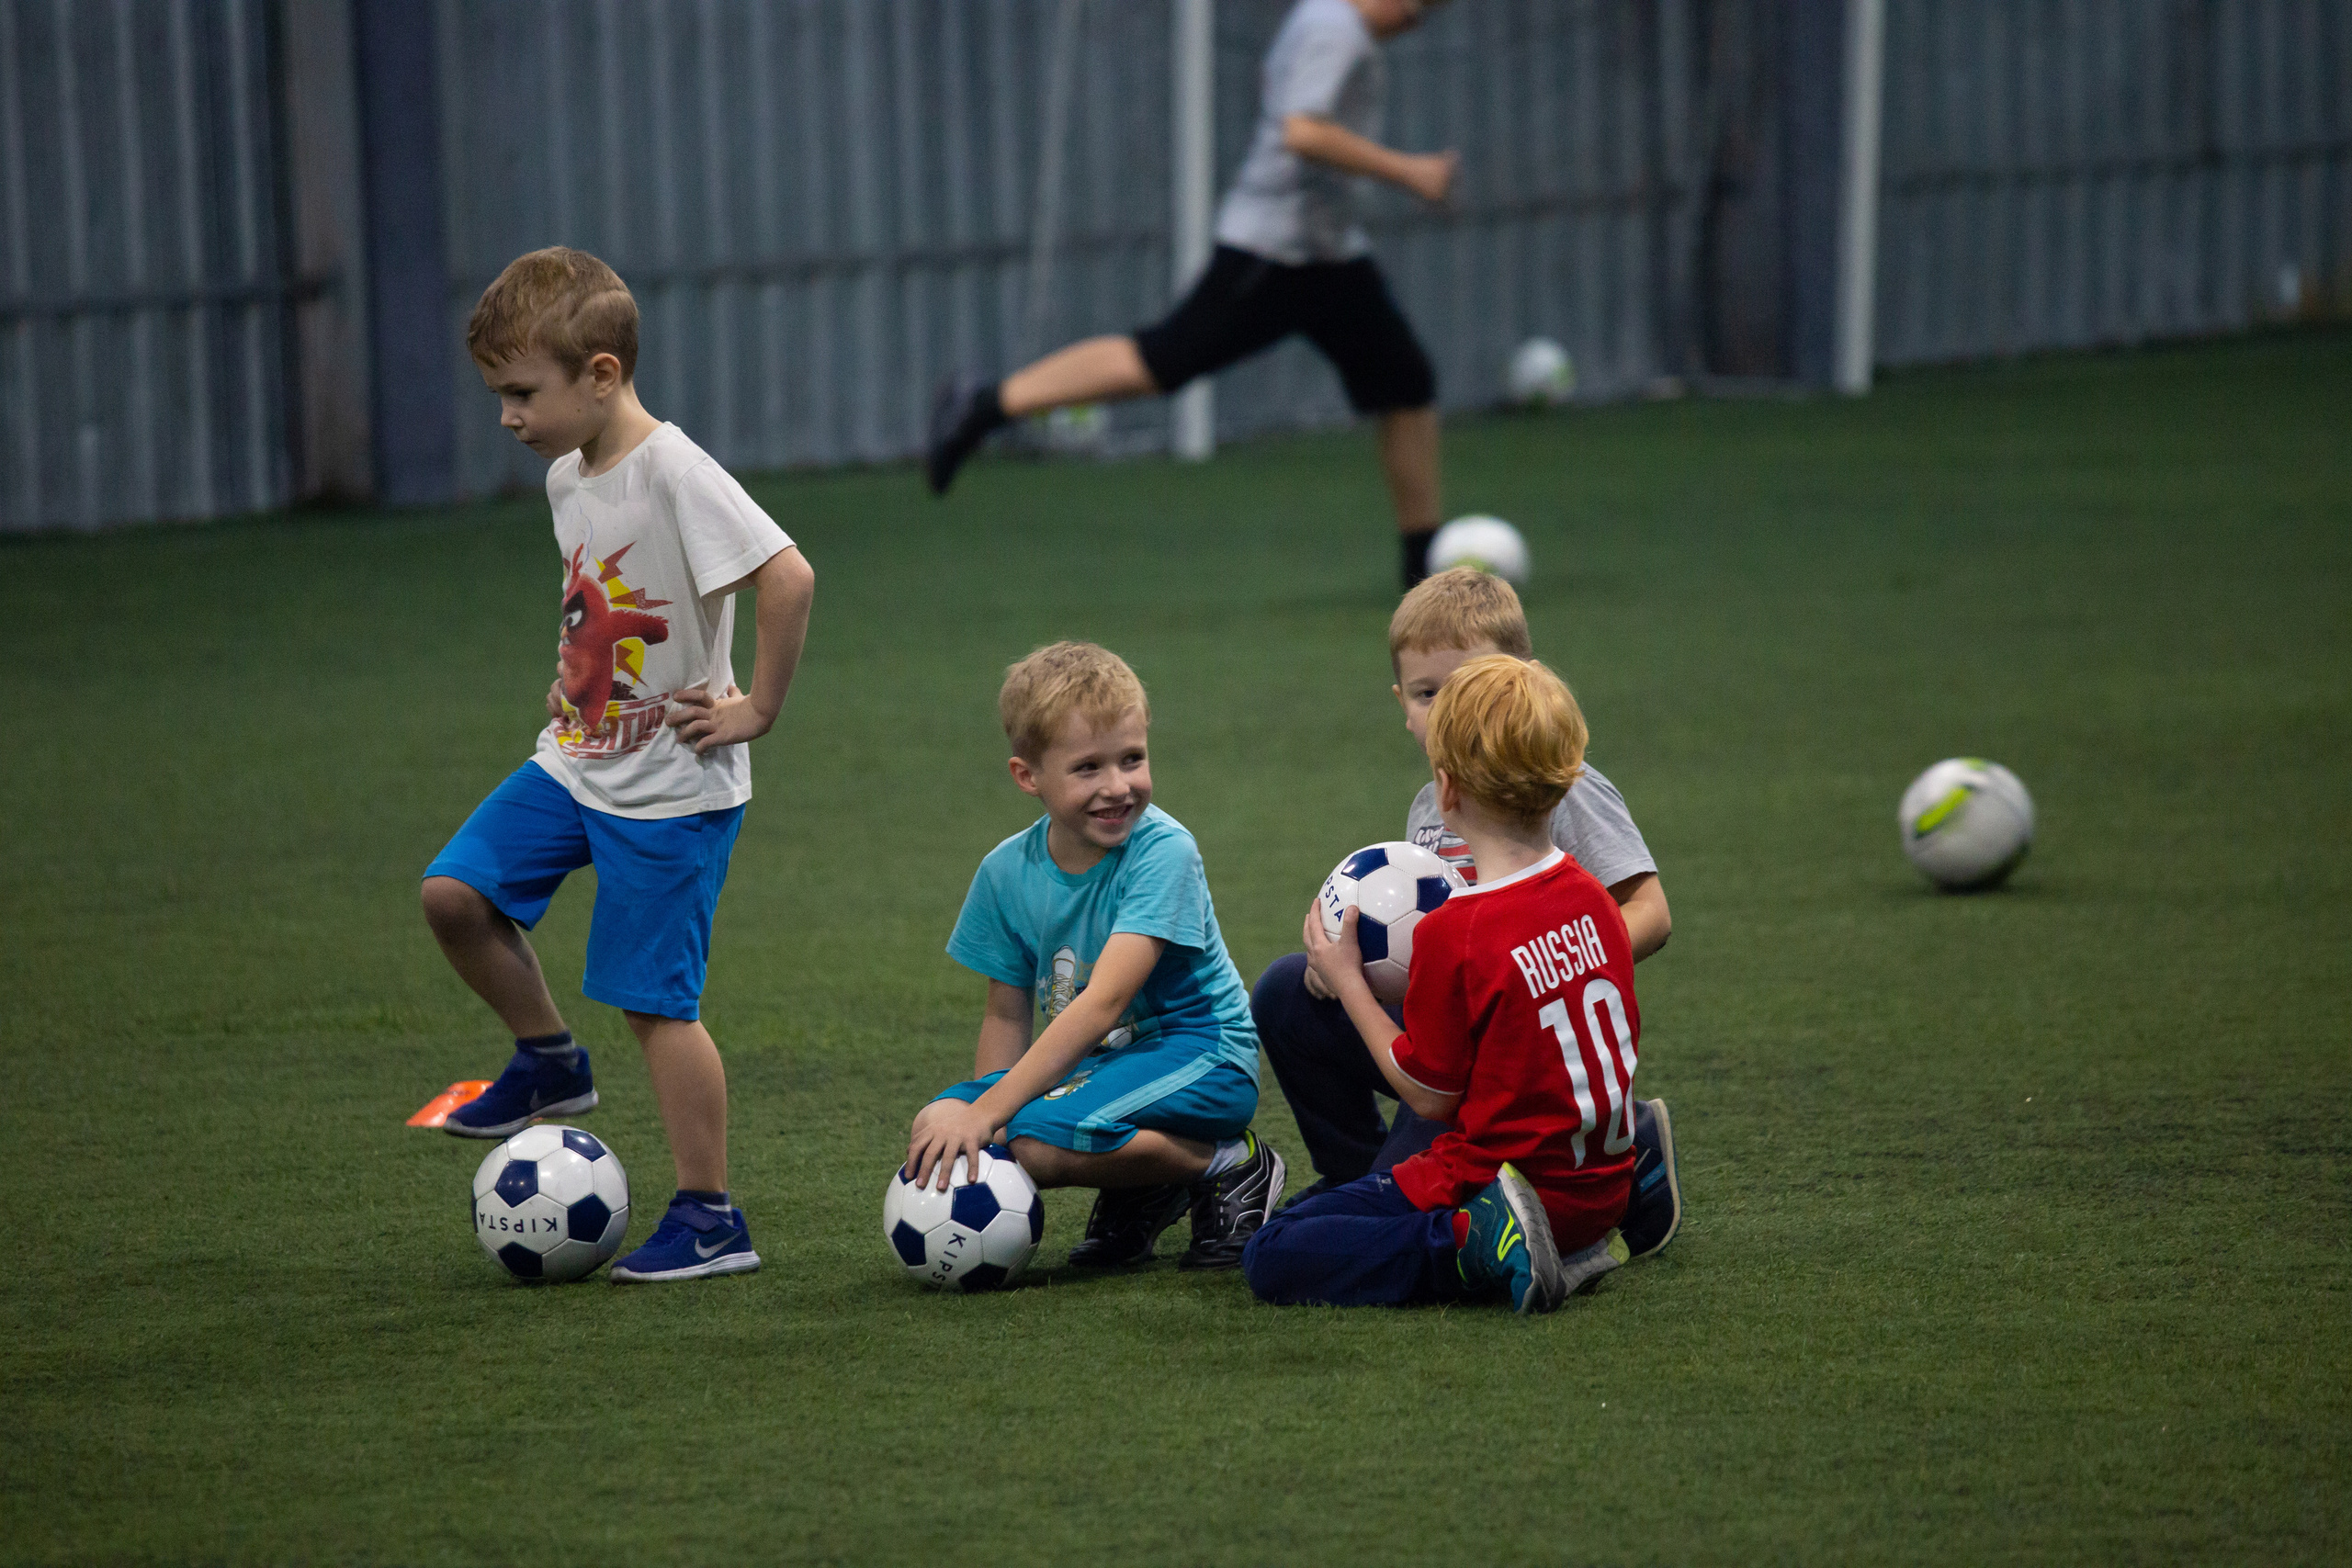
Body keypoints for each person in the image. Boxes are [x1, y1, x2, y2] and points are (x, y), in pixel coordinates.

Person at [421, 247, 817, 1285]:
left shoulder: (676, 471)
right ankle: (549, 1060)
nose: (507, 417)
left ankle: (710, 1216)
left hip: (671, 790)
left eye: (522, 393)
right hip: (574, 761)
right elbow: (599, 600)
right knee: (454, 895)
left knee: (655, 1005)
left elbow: (789, 577)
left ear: (601, 374)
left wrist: (757, 709)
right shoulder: (568, 475)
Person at [924, 0, 1462, 591]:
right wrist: (1409, 171)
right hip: (1273, 251)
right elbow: (1302, 132)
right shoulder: (1334, 28)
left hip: (1328, 252)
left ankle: (1422, 568)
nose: (1415, 22)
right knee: (1161, 361)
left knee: (1408, 382)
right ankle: (984, 404)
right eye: (1419, 10)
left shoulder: (1331, 23)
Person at [1252, 568, 1682, 1256]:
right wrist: (1350, 967)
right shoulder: (1433, 803)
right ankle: (1352, 1170)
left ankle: (1630, 1156)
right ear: (1403, 704)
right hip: (1448, 1035)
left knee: (1391, 1216)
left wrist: (1528, 977)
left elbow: (1650, 912)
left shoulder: (1557, 785)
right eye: (1429, 693)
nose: (1451, 709)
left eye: (1470, 685)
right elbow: (1432, 951)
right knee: (1285, 991)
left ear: (1523, 684)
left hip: (1510, 1056)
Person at [904, 641, 1284, 1269]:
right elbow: (1004, 1015)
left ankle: (1228, 1162)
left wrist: (996, 1116)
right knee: (937, 1120)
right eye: (1087, 768)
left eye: (1132, 759)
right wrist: (986, 1133)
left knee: (1037, 1144)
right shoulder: (1003, 872)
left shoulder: (1164, 851)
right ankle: (1148, 1183)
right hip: (1109, 1066)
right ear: (1028, 776)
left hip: (1203, 1054)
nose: (1117, 786)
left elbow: (1104, 1003)